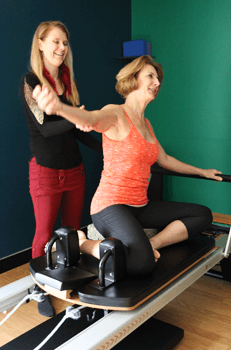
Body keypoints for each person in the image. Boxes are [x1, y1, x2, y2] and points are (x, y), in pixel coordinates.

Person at [33, 55, 222, 276]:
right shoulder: (116, 113)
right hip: (109, 206)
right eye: (150, 76)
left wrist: (202, 172)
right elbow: (91, 118)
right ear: (133, 79)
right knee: (142, 263)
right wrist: (59, 108)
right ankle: (83, 244)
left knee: (202, 214)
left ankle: (152, 244)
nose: (157, 82)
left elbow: (165, 159)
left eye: (158, 78)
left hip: (140, 206)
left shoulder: (147, 124)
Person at [20, 21, 102, 316]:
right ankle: (39, 289)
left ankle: (70, 283)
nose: (61, 48)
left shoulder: (66, 85)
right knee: (44, 235)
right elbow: (45, 128)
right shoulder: (31, 83)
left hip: (74, 171)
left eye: (65, 43)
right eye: (55, 42)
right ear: (40, 44)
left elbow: (76, 132)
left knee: (71, 233)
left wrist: (107, 147)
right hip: (46, 171)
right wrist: (77, 116)